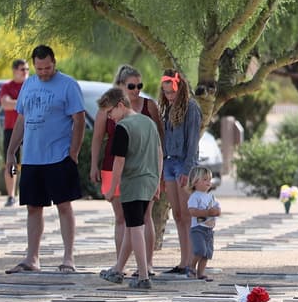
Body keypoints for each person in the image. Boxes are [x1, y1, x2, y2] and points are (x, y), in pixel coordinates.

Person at [4, 45, 85, 274]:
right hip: (31, 157)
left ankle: (68, 258)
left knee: (64, 206)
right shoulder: (29, 84)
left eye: (47, 67)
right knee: (33, 207)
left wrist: (74, 152)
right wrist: (12, 151)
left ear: (54, 62)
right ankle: (32, 258)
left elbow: (79, 120)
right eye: (39, 68)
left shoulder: (68, 85)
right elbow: (21, 118)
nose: (43, 72)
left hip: (59, 156)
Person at [91, 65, 164, 278]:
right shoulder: (147, 123)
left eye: (111, 112)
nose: (110, 117)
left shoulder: (123, 127)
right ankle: (119, 268)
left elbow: (120, 162)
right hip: (149, 179)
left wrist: (112, 188)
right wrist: (157, 180)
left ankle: (143, 275)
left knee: (135, 227)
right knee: (135, 224)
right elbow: (159, 153)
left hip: (132, 182)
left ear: (120, 106)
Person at [159, 68, 202, 275]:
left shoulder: (191, 108)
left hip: (184, 164)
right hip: (168, 163)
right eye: (166, 93)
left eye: (172, 92)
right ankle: (182, 261)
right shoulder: (166, 109)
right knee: (177, 214)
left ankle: (190, 262)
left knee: (187, 214)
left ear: (180, 88)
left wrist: (187, 169)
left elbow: (193, 142)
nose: (169, 96)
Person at [0, 58, 27, 207]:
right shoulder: (7, 86)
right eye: (23, 69)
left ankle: (29, 192)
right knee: (12, 163)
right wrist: (23, 103)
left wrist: (15, 103)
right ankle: (11, 195)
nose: (25, 73)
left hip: (29, 128)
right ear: (15, 71)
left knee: (31, 163)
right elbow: (5, 104)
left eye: (27, 70)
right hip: (11, 129)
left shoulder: (31, 85)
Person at [186, 165, 220, 281]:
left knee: (207, 253)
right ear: (195, 182)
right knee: (200, 250)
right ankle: (191, 267)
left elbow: (217, 209)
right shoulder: (195, 197)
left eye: (209, 180)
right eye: (204, 179)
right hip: (198, 229)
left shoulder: (211, 197)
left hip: (209, 229)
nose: (208, 182)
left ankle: (201, 273)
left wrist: (216, 212)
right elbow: (192, 211)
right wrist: (207, 212)